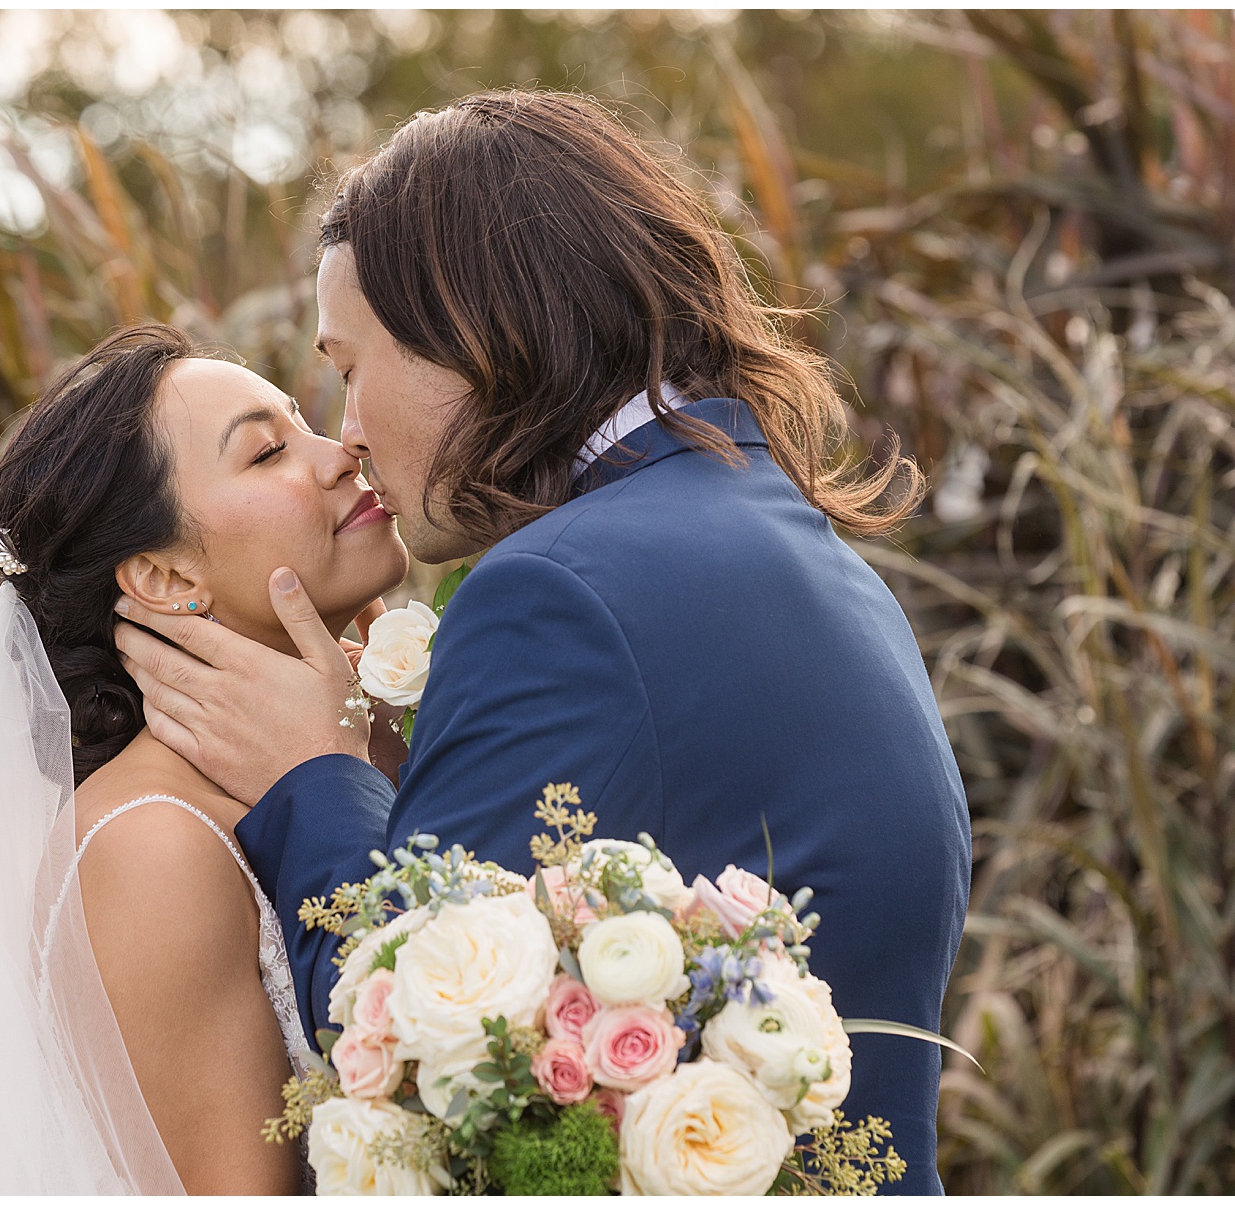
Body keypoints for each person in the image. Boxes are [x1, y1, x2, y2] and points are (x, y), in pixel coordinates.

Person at [115, 90, 973, 1193]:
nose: (353, 431)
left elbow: (426, 1058)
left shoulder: (555, 592)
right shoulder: (788, 539)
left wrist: (313, 775)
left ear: (474, 328)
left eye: (349, 367)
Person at [0, 325, 410, 1193]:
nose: (340, 454)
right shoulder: (152, 847)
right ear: (159, 575)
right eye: (267, 453)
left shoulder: (373, 736)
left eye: (305, 423)